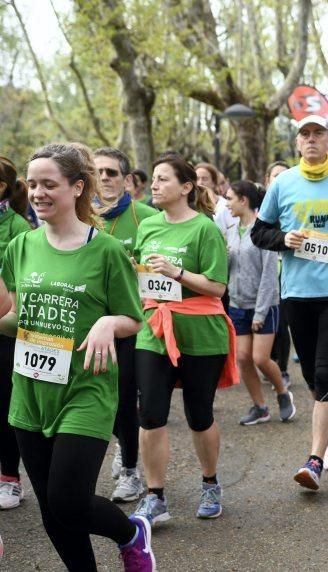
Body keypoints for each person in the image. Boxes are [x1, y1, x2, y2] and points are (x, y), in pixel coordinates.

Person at [0, 143, 154, 570]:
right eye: (31, 184)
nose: (37, 193)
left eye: (49, 184)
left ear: (77, 187)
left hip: (85, 390)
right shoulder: (21, 246)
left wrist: (108, 323)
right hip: (29, 392)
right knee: (53, 511)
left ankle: (131, 532)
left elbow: (133, 317)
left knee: (68, 500)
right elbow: (12, 316)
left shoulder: (105, 250)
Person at [251, 114, 328, 490]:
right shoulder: (283, 183)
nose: (310, 140)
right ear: (297, 143)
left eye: (317, 133)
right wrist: (284, 239)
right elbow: (259, 232)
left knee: (325, 372)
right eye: (304, 134)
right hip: (296, 292)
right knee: (310, 373)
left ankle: (315, 460)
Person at [133, 153, 236, 524]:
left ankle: (210, 482)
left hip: (200, 331)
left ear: (186, 187)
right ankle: (155, 494)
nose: (155, 185)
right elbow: (141, 275)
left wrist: (176, 271)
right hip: (154, 329)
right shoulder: (148, 226)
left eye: (162, 179)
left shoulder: (205, 229)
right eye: (154, 179)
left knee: (199, 414)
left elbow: (217, 286)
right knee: (151, 414)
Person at [94, 147, 159, 504]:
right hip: (94, 323)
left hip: (136, 322)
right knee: (102, 394)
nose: (105, 178)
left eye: (112, 173)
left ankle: (132, 471)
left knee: (126, 395)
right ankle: (124, 441)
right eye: (99, 172)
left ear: (125, 179)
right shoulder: (83, 217)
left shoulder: (146, 216)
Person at [224, 181, 295, 424]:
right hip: (237, 304)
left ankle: (283, 394)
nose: (226, 203)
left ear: (243, 200)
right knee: (242, 359)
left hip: (264, 305)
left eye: (230, 198)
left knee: (260, 358)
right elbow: (229, 270)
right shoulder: (231, 230)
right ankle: (260, 407)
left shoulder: (264, 231)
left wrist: (260, 312)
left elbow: (269, 275)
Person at [0, 157, 33, 511]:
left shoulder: (19, 229)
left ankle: (10, 477)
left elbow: (22, 289)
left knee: (4, 405)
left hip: (6, 330)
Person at [264, 161, 293, 387]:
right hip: (256, 275)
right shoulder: (259, 207)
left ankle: (281, 368)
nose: (280, 179)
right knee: (264, 319)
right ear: (268, 180)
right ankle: (268, 362)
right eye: (275, 175)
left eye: (285, 175)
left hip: (284, 272)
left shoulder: (296, 204)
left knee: (281, 323)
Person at [198, 162, 237, 233]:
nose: (200, 182)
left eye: (205, 179)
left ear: (214, 182)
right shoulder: (189, 206)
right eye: (197, 179)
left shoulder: (225, 206)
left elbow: (234, 233)